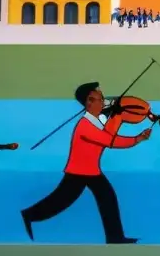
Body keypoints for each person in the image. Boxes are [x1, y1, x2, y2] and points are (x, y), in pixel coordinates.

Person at [21, 82, 152, 244]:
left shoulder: (97, 121)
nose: (103, 102)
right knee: (60, 202)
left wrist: (117, 116)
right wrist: (138, 139)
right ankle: (28, 215)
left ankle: (115, 237)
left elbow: (108, 133)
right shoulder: (85, 126)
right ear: (89, 102)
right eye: (99, 99)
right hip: (78, 172)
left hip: (91, 171)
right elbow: (110, 140)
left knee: (107, 199)